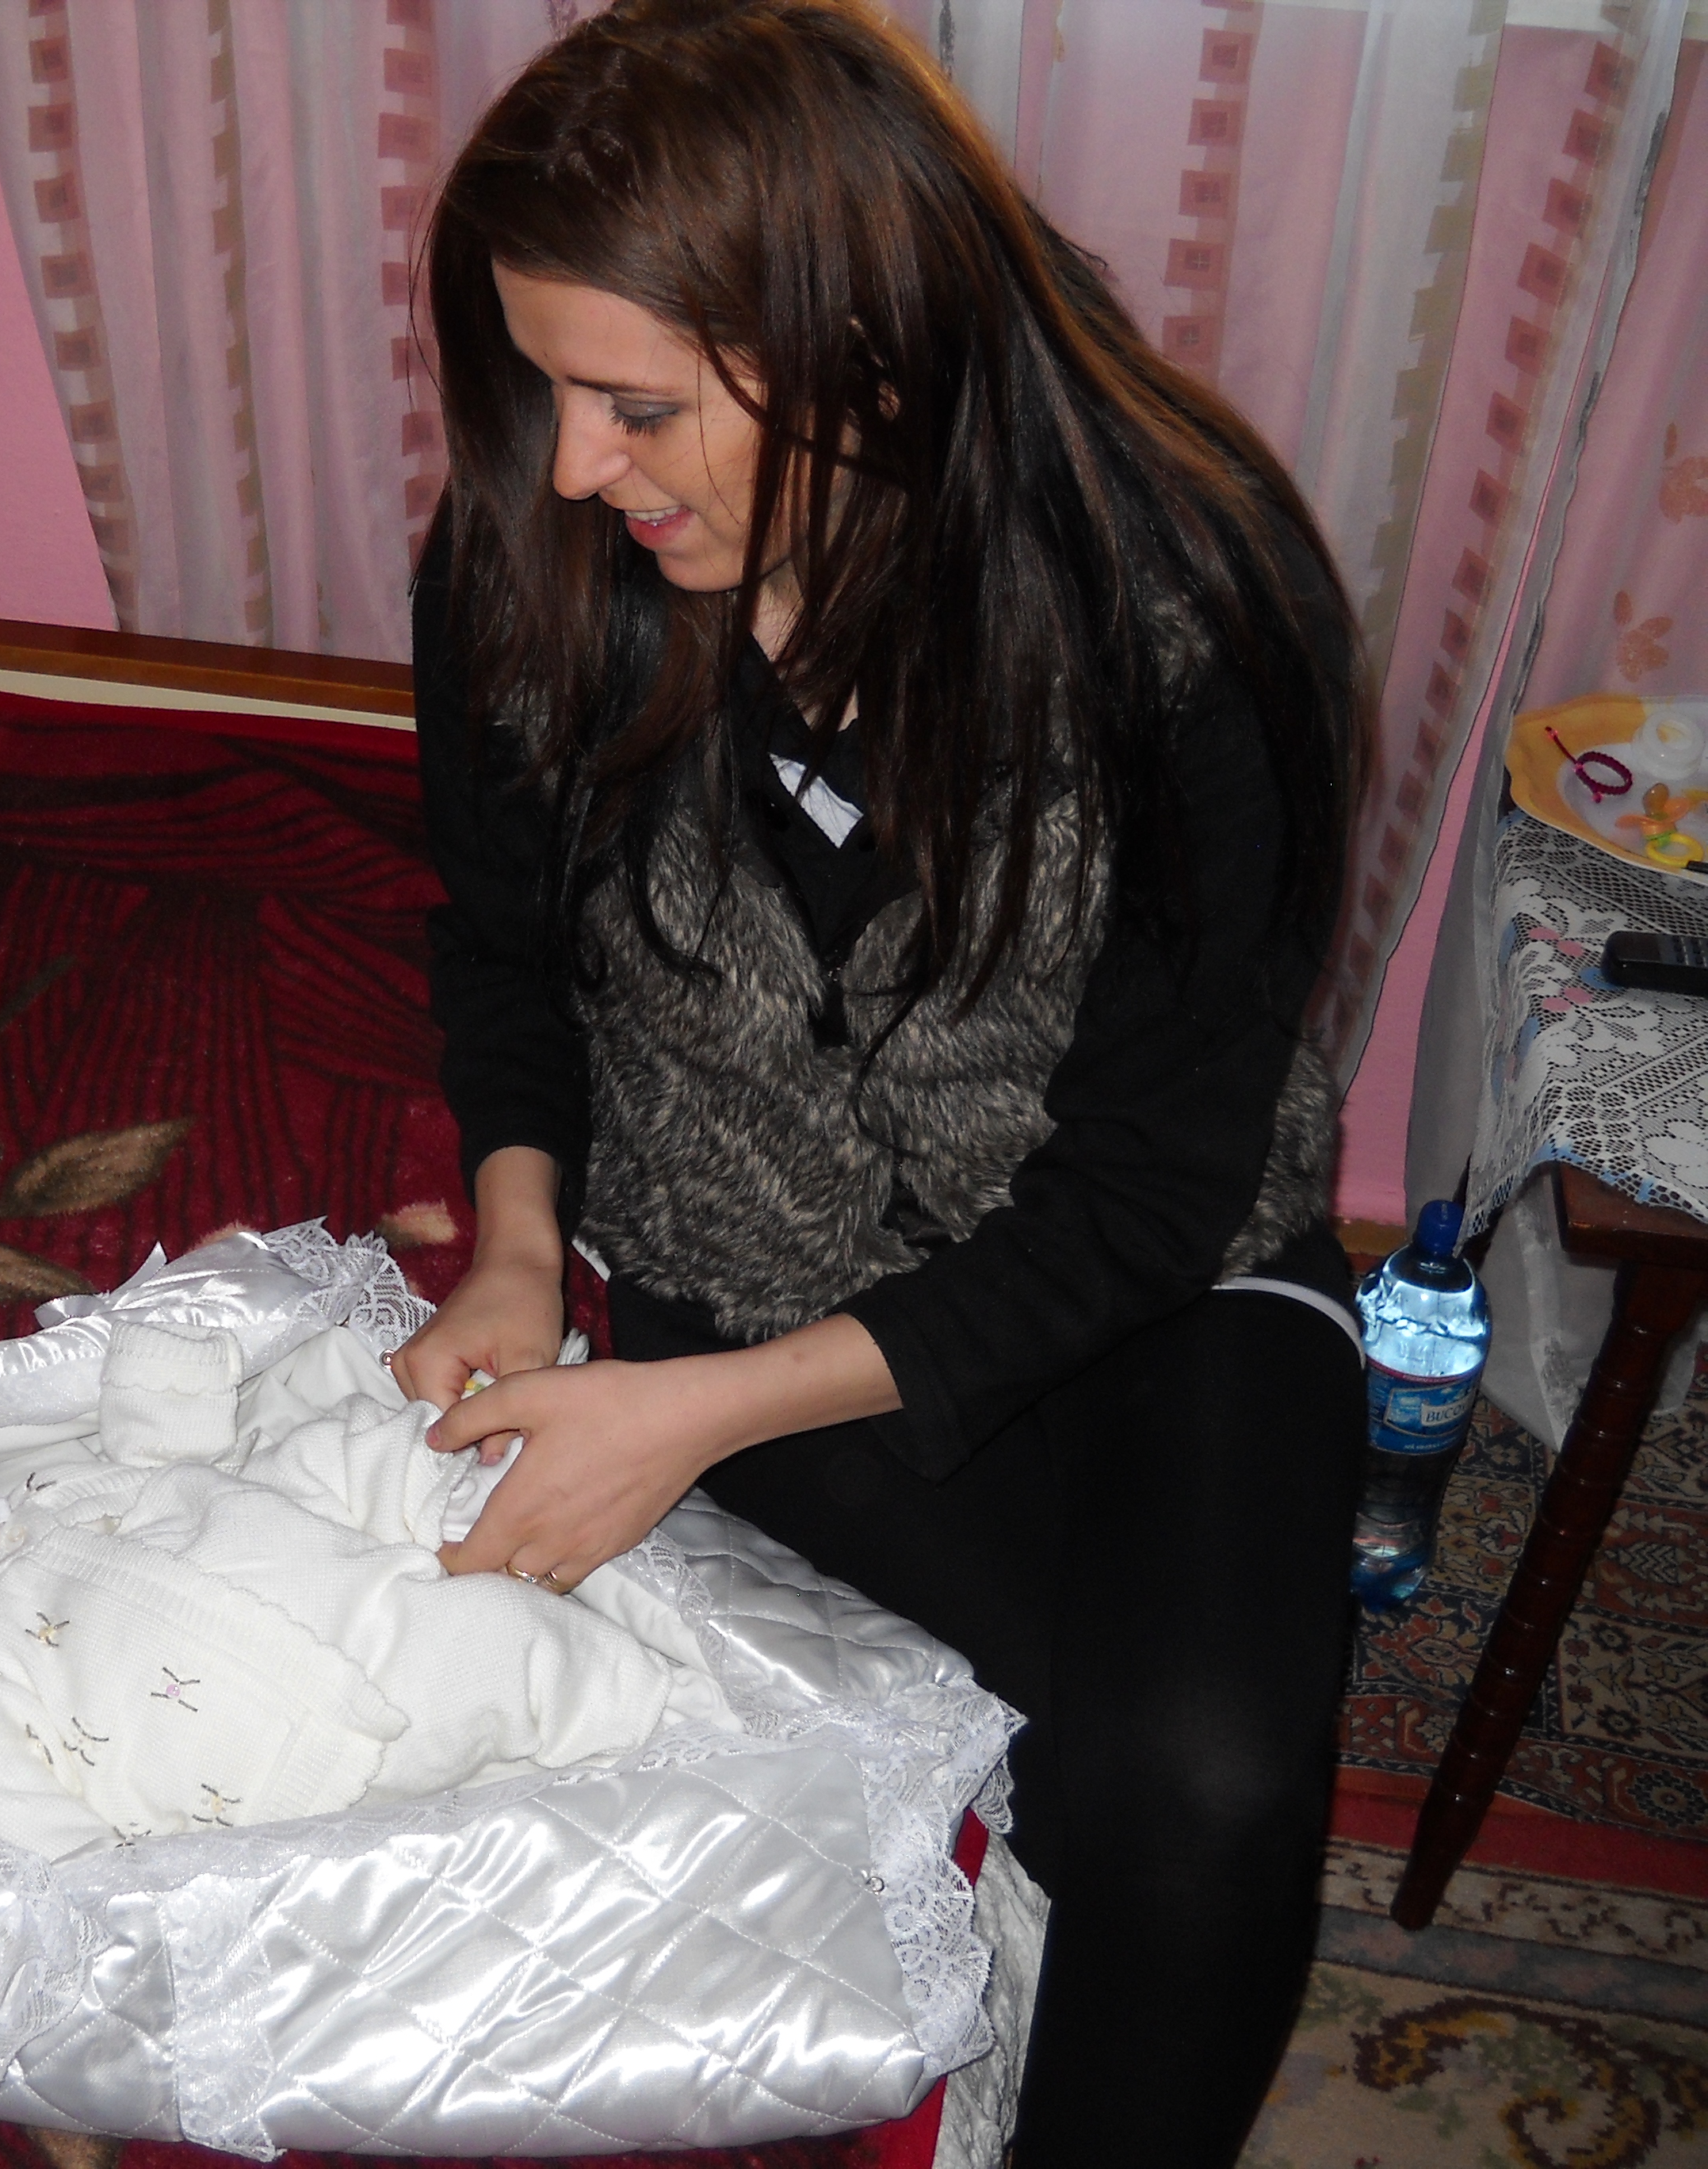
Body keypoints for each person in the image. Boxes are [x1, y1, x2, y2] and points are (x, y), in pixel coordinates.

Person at [387, 4, 1369, 2163]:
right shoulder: (528, 573)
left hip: (1165, 1265)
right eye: (544, 390)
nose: (572, 467)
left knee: (1211, 1786)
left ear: (864, 350)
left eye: (637, 406)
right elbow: (505, 956)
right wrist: (521, 1251)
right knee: (1085, 1758)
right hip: (751, 1253)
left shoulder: (1195, 604)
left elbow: (1153, 1180)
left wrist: (694, 1420)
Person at [0, 1319, 720, 1860]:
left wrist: (160, 1384)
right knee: (500, 1653)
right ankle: (692, 1737)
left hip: (314, 1570)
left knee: (333, 1459)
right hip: (292, 1751)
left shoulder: (47, 1499)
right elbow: (15, 1820)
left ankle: (456, 1484)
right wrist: (117, 1894)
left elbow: (175, 1472)